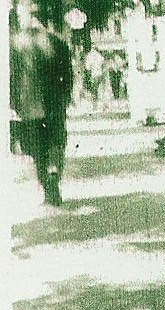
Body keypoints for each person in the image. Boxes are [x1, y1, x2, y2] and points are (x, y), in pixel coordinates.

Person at [9, 1, 73, 206]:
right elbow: (68, 76)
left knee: (38, 150)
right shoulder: (57, 42)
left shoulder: (15, 45)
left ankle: (47, 186)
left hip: (28, 106)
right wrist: (65, 98)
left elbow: (10, 78)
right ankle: (54, 171)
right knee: (56, 142)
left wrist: (13, 102)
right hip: (54, 104)